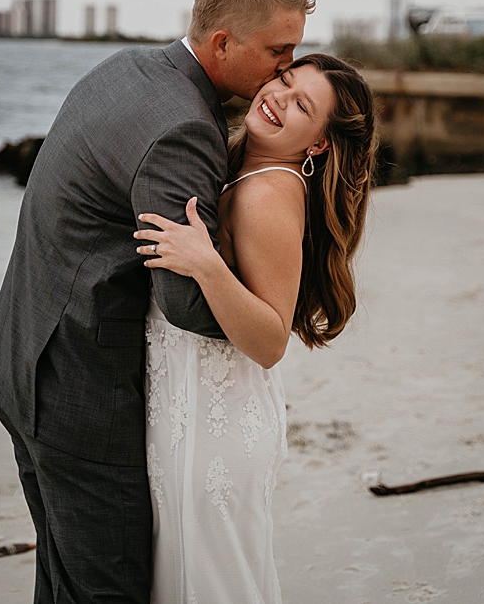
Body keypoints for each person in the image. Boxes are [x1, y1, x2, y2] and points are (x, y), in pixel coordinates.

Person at [0, 0, 315, 603]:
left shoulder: (126, 68)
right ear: (224, 41)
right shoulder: (185, 129)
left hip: (22, 358)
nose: (288, 66)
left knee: (64, 579)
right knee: (108, 588)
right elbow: (187, 302)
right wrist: (259, 302)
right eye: (279, 50)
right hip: (78, 392)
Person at [135, 51, 376, 603]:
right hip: (193, 410)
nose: (278, 99)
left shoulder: (267, 193)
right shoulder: (246, 166)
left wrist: (205, 262)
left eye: (301, 105)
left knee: (212, 587)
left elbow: (270, 341)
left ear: (317, 143)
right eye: (284, 81)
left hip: (214, 424)